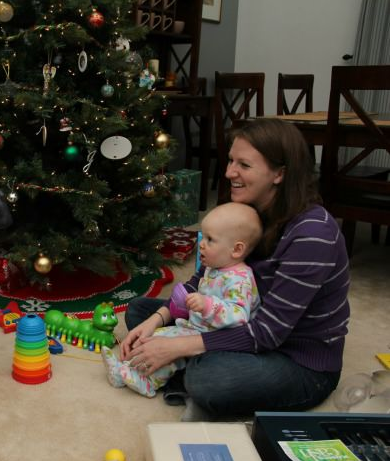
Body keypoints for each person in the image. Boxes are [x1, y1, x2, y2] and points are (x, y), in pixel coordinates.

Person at [121, 118, 349, 418]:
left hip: (296, 358)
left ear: (279, 173)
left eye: (244, 164)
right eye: (230, 160)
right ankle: (186, 359)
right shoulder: (245, 210)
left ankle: (186, 367)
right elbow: (203, 279)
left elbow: (268, 333)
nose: (229, 173)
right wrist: (158, 318)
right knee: (139, 310)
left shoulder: (312, 235)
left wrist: (178, 347)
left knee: (211, 380)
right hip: (237, 321)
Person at [102, 202, 262, 398]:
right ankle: (123, 370)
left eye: (210, 240)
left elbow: (239, 316)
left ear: (236, 250)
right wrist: (160, 318)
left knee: (170, 349)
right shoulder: (215, 265)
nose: (201, 243)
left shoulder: (240, 279)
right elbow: (191, 287)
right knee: (156, 333)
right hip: (196, 326)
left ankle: (147, 382)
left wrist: (207, 305)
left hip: (217, 341)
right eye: (203, 236)